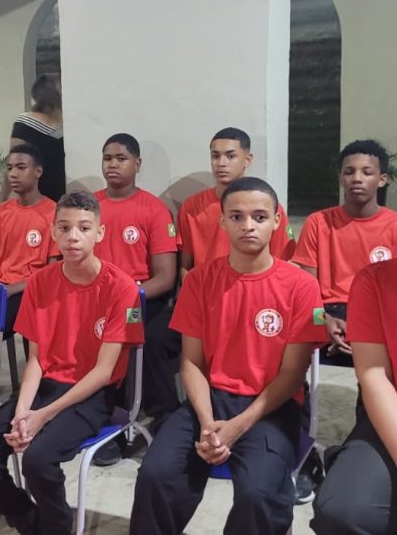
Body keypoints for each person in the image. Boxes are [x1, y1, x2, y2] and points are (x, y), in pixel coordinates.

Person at [129, 177, 327, 535]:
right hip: (208, 401)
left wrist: (238, 426)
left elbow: (292, 375)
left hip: (271, 408)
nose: (248, 225)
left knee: (258, 495)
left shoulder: (301, 286)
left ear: (277, 221)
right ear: (222, 222)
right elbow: (191, 363)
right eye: (236, 216)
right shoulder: (200, 281)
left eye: (259, 217)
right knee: (156, 475)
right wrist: (208, 423)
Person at [0, 190, 144, 535]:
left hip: (93, 394)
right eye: (64, 227)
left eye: (84, 228)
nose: (73, 236)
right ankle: (29, 522)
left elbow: (103, 372)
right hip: (46, 386)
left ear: (100, 233)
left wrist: (42, 416)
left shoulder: (121, 288)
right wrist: (22, 413)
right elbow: (36, 359)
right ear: (53, 232)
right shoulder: (41, 282)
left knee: (38, 461)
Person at [291, 138, 397, 503]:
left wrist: (365, 331)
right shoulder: (319, 223)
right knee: (288, 360)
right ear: (340, 178)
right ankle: (306, 457)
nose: (357, 178)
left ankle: (364, 454)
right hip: (328, 311)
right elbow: (305, 286)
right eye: (349, 171)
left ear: (382, 179)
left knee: (380, 374)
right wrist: (323, 320)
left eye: (367, 172)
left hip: (378, 316)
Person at [92, 133, 180, 465]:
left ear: (137, 164)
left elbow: (165, 277)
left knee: (139, 338)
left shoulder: (154, 209)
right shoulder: (89, 207)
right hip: (93, 299)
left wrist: (129, 294)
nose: (112, 164)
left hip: (139, 299)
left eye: (121, 158)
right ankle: (90, 414)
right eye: (107, 158)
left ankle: (160, 416)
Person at [310, 257, 397, 534]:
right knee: (344, 511)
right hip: (340, 311)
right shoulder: (376, 279)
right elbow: (308, 300)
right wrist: (322, 320)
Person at [177, 127, 297, 280]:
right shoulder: (191, 207)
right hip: (207, 288)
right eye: (215, 156)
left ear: (247, 160)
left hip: (257, 288)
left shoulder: (267, 208)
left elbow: (285, 263)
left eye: (230, 156)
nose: (221, 163)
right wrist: (195, 289)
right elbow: (185, 267)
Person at [0, 144, 60, 363]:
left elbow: (52, 269)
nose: (13, 174)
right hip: (2, 289)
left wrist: (13, 289)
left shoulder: (54, 213)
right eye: (9, 168)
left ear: (38, 172)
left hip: (32, 290)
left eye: (21, 167)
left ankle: (34, 379)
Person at [5, 73, 65, 202]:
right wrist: (4, 198)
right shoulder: (26, 122)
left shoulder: (68, 126)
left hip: (64, 194)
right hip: (31, 196)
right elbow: (14, 161)